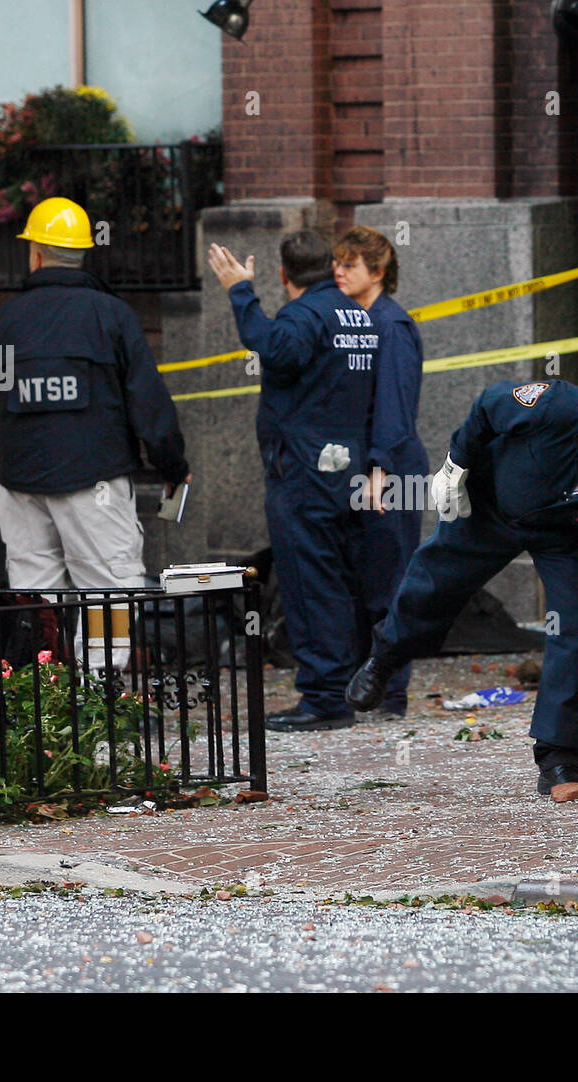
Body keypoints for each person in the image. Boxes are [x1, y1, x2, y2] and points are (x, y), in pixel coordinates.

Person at [347, 378, 578, 802]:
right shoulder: (561, 408)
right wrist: (455, 466)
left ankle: (560, 759)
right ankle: (385, 657)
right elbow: (489, 403)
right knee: (434, 585)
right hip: (491, 507)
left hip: (567, 536)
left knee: (575, 628)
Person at [0, 197, 190, 664]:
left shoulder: (2, 322)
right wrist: (172, 465)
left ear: (34, 254)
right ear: (83, 253)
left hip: (20, 479)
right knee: (107, 588)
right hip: (96, 478)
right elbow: (148, 402)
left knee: (34, 591)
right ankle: (102, 702)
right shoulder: (112, 316)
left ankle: (43, 697)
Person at [207, 231, 380, 732]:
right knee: (339, 583)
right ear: (329, 267)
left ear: (284, 276)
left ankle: (325, 699)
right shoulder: (355, 314)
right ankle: (342, 687)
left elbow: (274, 348)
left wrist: (241, 290)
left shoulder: (304, 316)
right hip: (347, 469)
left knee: (309, 584)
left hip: (306, 474)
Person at [332, 226, 428, 718]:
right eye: (338, 262)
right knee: (366, 580)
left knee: (390, 583)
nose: (339, 270)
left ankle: (390, 693)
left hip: (390, 469)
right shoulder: (361, 321)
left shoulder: (391, 325)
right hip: (372, 466)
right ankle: (371, 687)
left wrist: (379, 470)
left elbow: (394, 407)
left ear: (379, 270)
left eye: (350, 263)